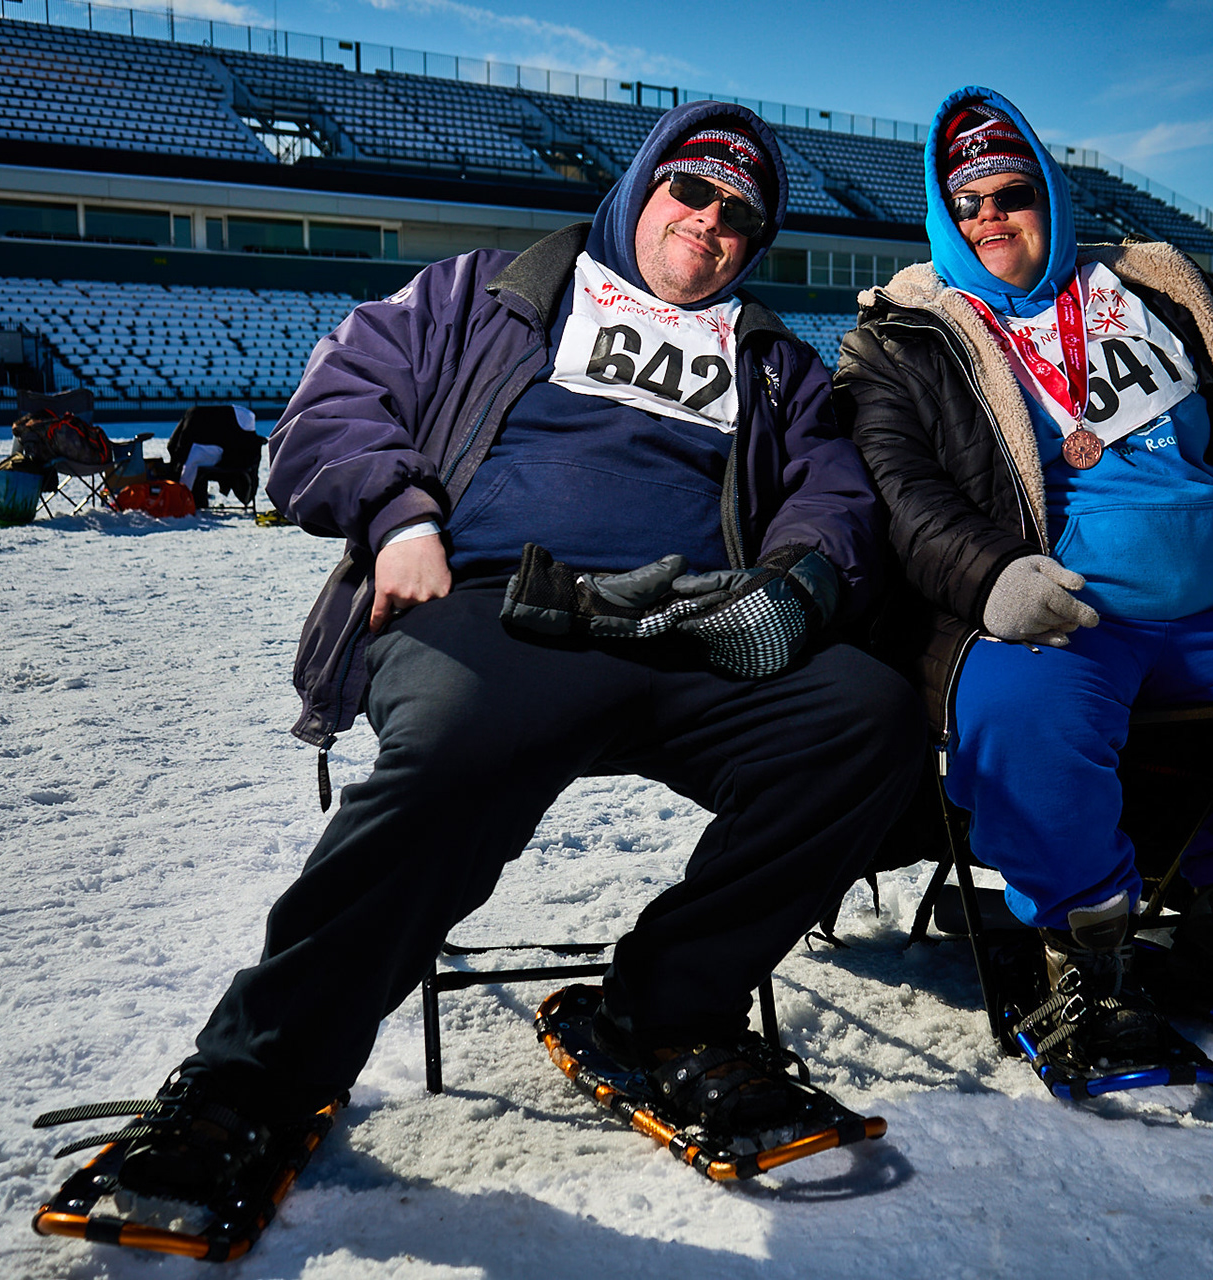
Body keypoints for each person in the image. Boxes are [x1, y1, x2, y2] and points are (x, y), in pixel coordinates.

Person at [64, 101, 923, 1201]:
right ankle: (254, 1079)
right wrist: (399, 518)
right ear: (643, 187)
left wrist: (799, 579)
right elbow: (330, 407)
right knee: (464, 742)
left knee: (864, 717)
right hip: (492, 604)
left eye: (739, 217)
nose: (710, 223)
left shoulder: (772, 363)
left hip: (686, 622)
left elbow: (834, 492)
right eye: (692, 191)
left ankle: (665, 1012)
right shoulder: (484, 293)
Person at [837, 86, 1213, 1074]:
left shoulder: (1154, 293)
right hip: (1058, 608)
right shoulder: (902, 337)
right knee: (1021, 712)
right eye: (967, 203)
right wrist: (994, 576)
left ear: (1050, 196)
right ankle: (1085, 949)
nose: (990, 216)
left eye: (1011, 193)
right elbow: (902, 495)